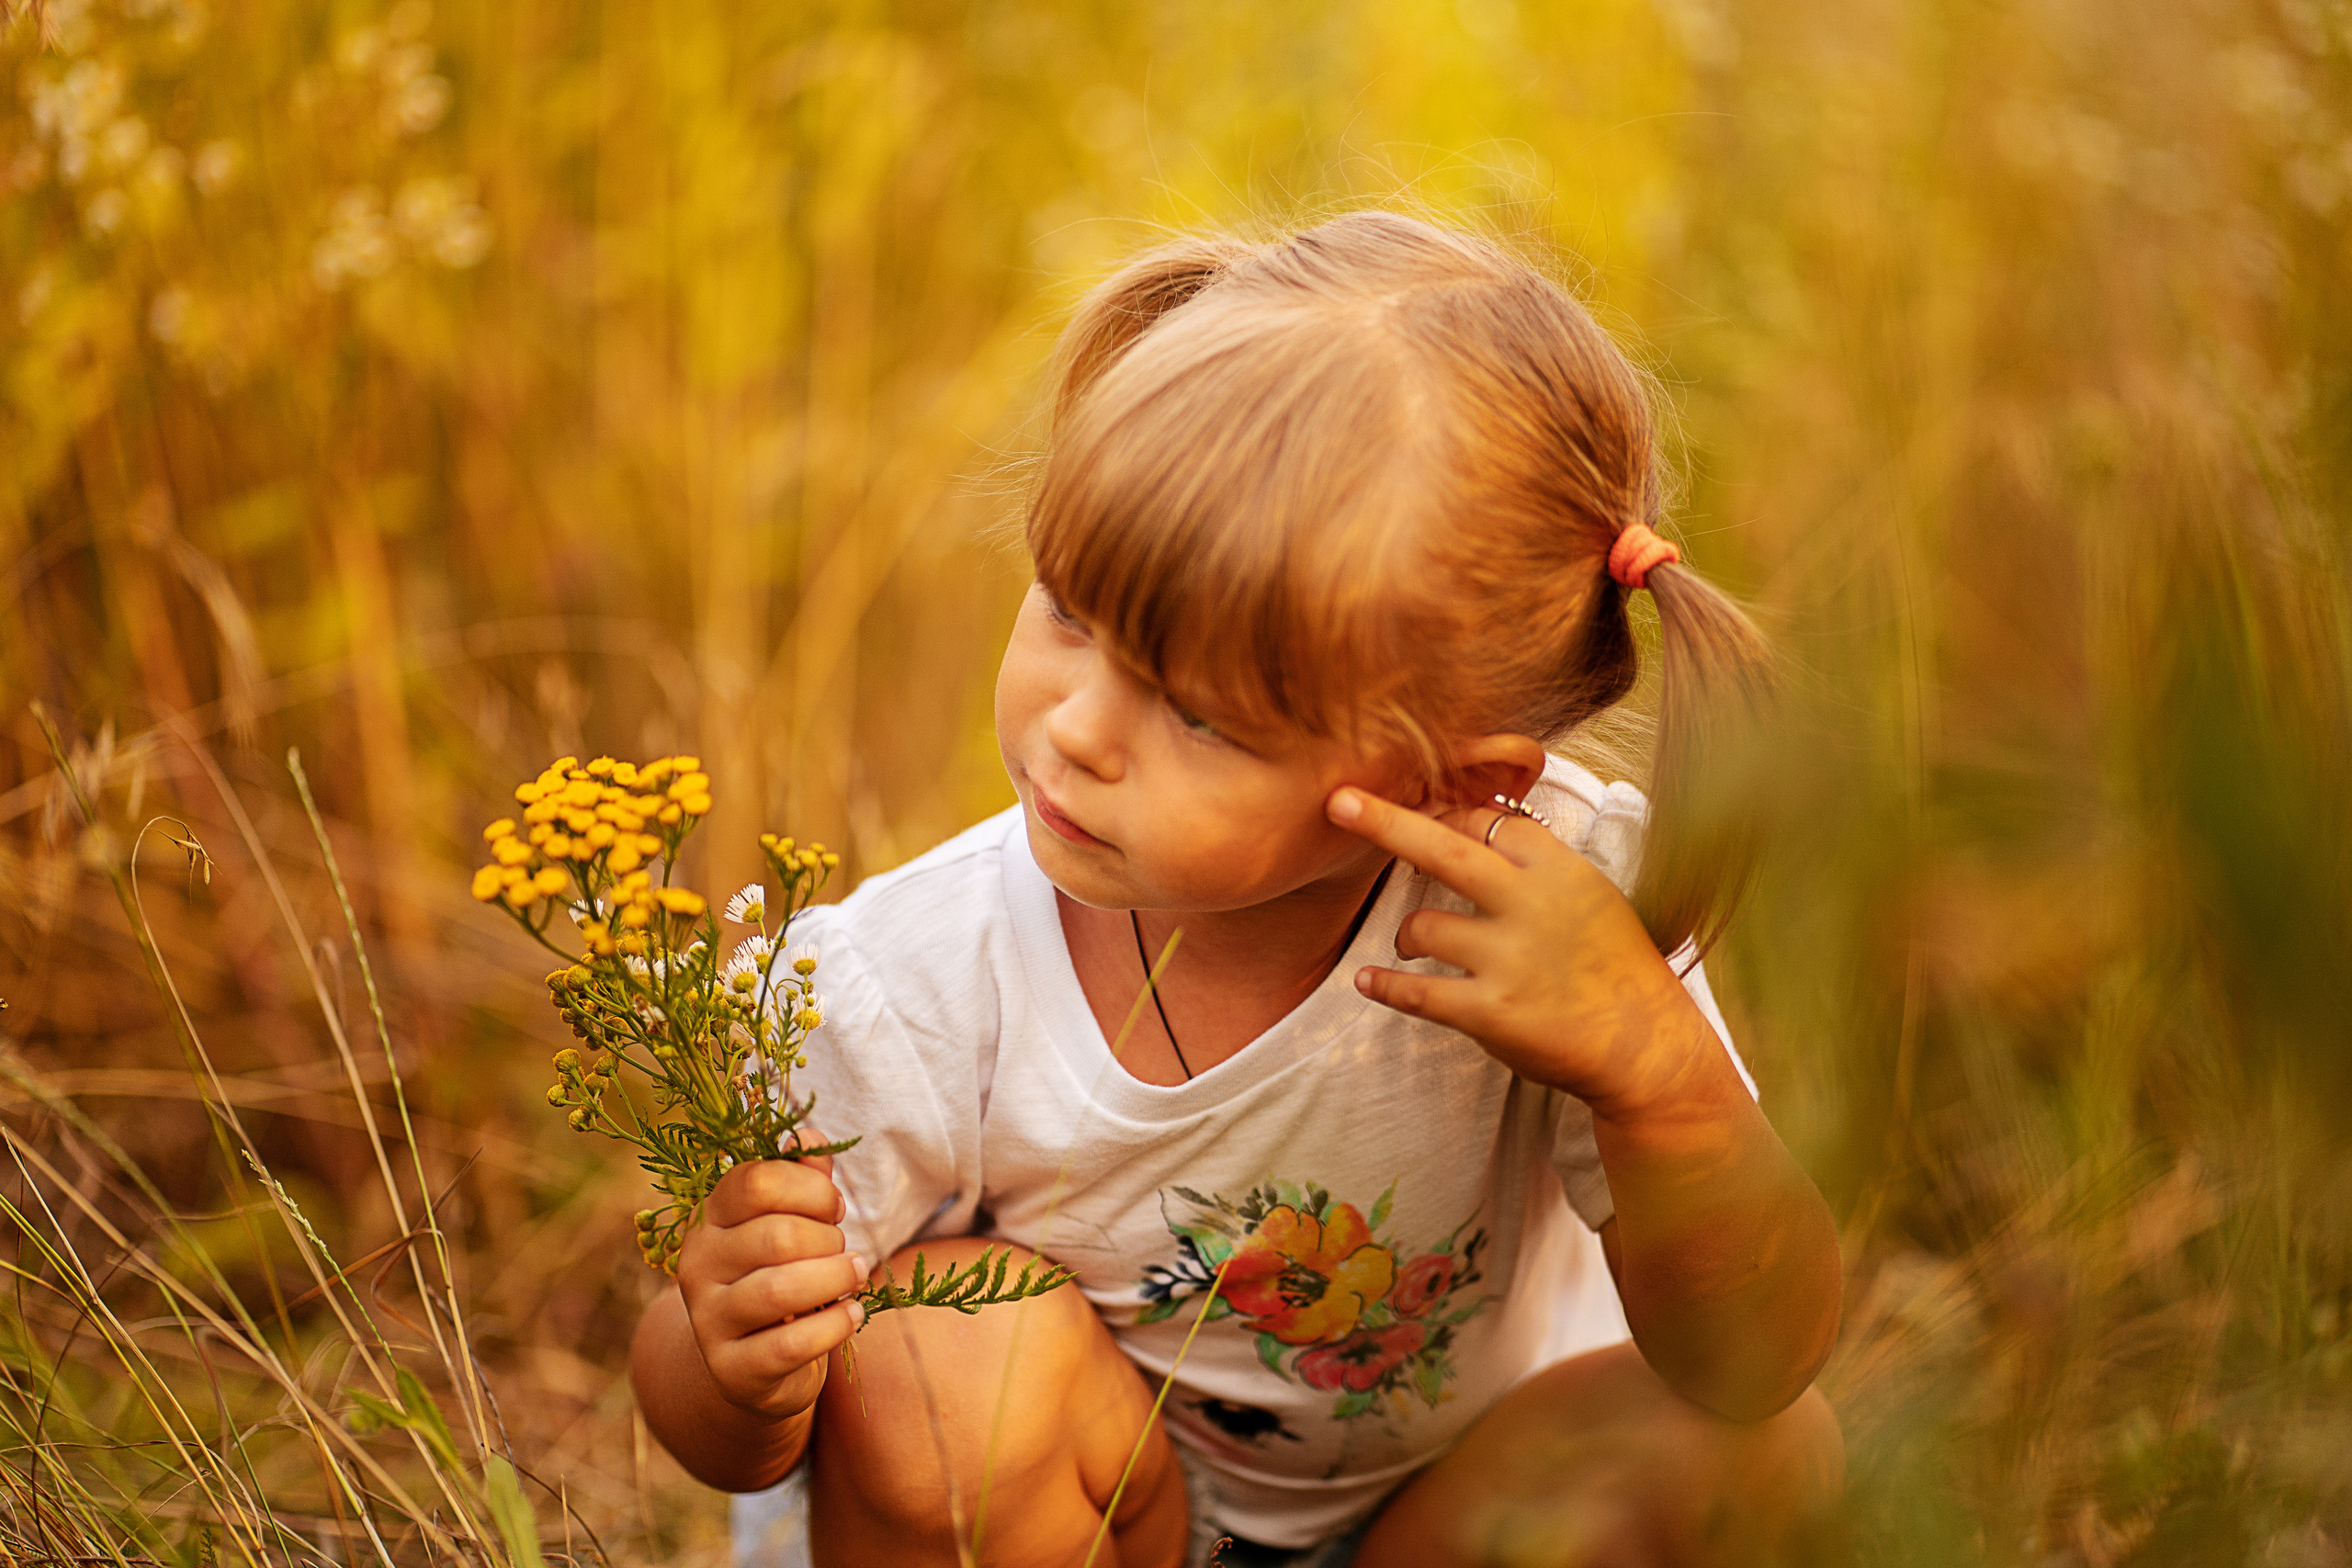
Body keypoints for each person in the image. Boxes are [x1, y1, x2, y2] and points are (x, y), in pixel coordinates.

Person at [630, 209, 1846, 1568]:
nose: (1078, 728)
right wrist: (730, 1352)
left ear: (1455, 785)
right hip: (1080, 1524)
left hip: (1436, 1519)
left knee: (1764, 1454)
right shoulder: (915, 982)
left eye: (1197, 716)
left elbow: (1758, 1362)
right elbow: (725, 1434)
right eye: (1067, 613)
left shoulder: (1558, 918)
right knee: (928, 1363)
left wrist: (1655, 1075)